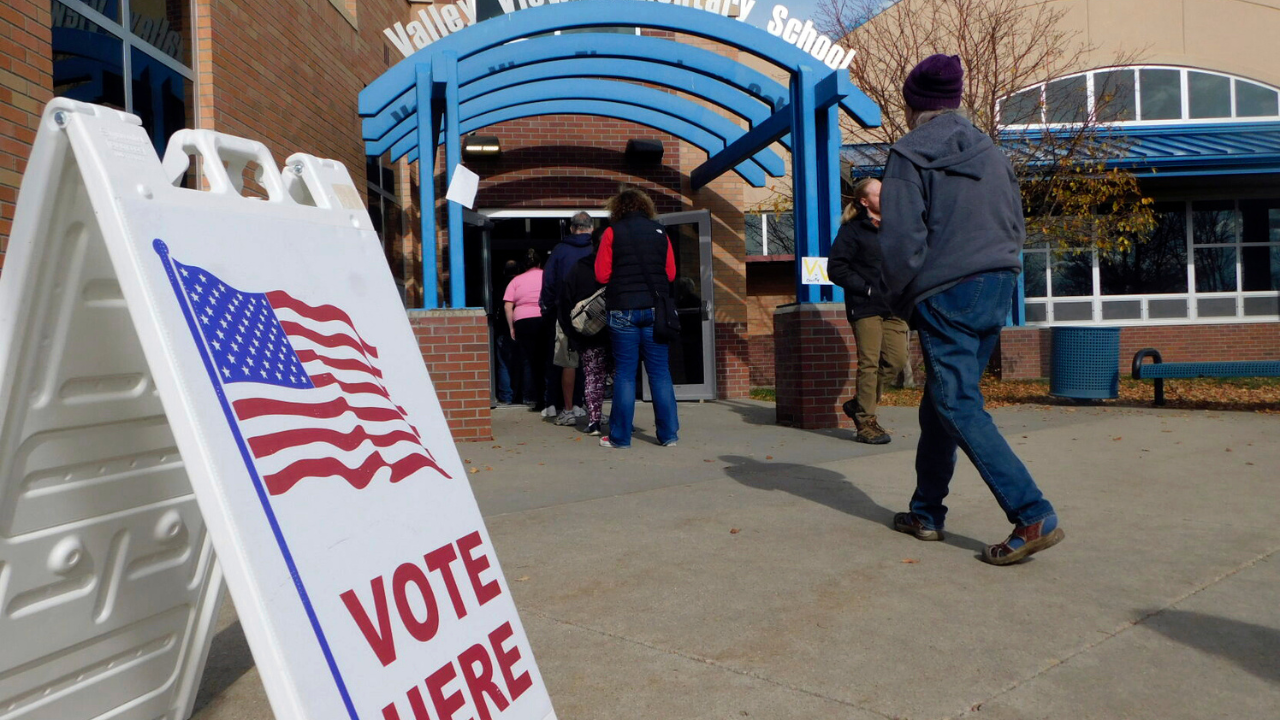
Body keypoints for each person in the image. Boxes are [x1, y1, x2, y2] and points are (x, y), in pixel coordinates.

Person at [878, 54, 1063, 565]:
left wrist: (897, 297)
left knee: (957, 402)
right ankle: (926, 512)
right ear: (956, 99)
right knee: (942, 400)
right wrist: (1003, 273)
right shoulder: (991, 152)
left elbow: (901, 240)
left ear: (913, 103)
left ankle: (1032, 511)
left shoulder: (908, 154)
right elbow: (1015, 223)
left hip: (947, 290)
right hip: (996, 284)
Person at [594, 188, 679, 449]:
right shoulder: (660, 232)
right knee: (660, 374)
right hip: (655, 310)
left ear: (617, 208)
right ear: (645, 207)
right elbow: (671, 274)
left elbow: (601, 275)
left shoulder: (612, 233)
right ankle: (668, 436)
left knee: (625, 375)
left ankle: (620, 438)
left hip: (622, 310)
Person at [828, 178, 909, 445]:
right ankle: (865, 422)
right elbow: (837, 268)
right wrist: (867, 289)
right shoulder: (852, 231)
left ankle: (858, 403)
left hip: (894, 306)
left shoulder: (896, 228)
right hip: (866, 306)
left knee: (895, 361)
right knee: (869, 363)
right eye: (880, 193)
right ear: (865, 201)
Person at [542, 212, 595, 426]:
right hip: (595, 314)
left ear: (573, 228)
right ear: (590, 228)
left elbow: (549, 282)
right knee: (593, 362)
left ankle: (568, 409)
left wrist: (547, 307)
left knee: (568, 362)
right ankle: (592, 408)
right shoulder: (596, 249)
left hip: (566, 313)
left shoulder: (560, 250)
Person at [559, 230, 611, 436]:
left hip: (588, 333)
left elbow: (564, 301)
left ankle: (594, 422)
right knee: (622, 377)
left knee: (592, 376)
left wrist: (572, 332)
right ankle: (623, 421)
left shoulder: (579, 268)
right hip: (617, 331)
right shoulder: (617, 268)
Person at [504, 249, 546, 410]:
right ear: (539, 263)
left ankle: (533, 398)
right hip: (543, 318)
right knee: (547, 360)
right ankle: (551, 398)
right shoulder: (546, 275)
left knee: (529, 361)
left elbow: (508, 306)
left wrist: (511, 327)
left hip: (523, 321)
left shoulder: (516, 281)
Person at [492, 259, 521, 406]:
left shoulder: (499, 286)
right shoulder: (522, 284)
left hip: (503, 329)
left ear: (504, 271)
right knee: (523, 363)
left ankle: (506, 396)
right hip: (522, 327)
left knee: (504, 363)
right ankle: (524, 395)